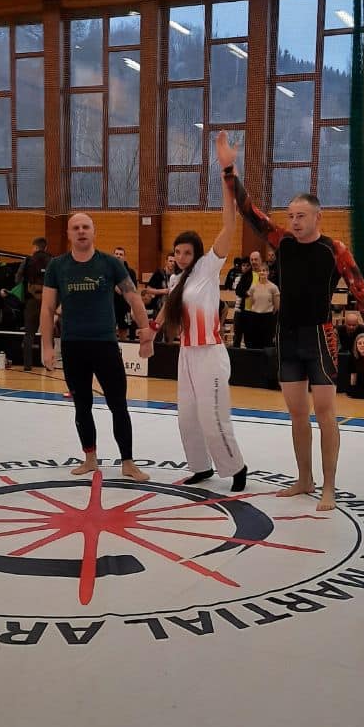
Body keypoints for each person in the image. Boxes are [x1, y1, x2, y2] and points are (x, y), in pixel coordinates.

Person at [221, 133, 364, 511]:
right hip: (288, 336)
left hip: (320, 338)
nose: (293, 221)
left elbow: (361, 292)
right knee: (296, 414)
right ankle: (304, 478)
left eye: (301, 216)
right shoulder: (283, 242)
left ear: (317, 217)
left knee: (325, 414)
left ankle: (329, 486)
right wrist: (229, 170)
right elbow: (249, 210)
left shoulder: (335, 250)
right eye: (290, 216)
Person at [157, 134, 247, 491]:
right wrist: (150, 330)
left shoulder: (208, 268)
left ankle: (237, 467)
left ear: (196, 253)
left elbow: (229, 224)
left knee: (213, 417)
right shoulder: (176, 280)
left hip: (210, 353)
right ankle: (201, 467)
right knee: (187, 419)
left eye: (186, 252)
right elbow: (167, 311)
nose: (181, 257)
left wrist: (227, 173)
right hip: (186, 355)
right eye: (177, 252)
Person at [40, 213, 154, 481]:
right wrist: (46, 346)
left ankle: (128, 462)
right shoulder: (57, 266)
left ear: (94, 231)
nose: (81, 231)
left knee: (118, 405)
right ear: (69, 233)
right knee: (82, 406)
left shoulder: (110, 263)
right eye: (75, 228)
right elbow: (47, 308)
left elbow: (134, 298)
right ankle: (90, 458)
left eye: (85, 227)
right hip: (73, 346)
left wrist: (145, 333)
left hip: (105, 345)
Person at [16, 238, 52, 371]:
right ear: (45, 247)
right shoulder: (52, 260)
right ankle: (50, 364)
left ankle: (27, 365)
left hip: (31, 300)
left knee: (29, 333)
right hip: (48, 300)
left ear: (35, 247)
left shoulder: (27, 261)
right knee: (49, 332)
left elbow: (17, 279)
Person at [245, 265, 280, 348]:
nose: (262, 272)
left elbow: (277, 306)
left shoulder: (273, 287)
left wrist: (269, 313)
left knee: (267, 341)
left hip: (268, 317)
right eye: (260, 271)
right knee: (255, 341)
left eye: (264, 270)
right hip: (255, 317)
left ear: (268, 272)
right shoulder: (253, 287)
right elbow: (250, 304)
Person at [112, 246, 138, 341]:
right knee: (110, 330)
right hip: (111, 305)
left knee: (123, 329)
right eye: (116, 254)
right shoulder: (108, 271)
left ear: (124, 257)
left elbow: (133, 290)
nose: (118, 256)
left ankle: (123, 346)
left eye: (121, 254)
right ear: (113, 255)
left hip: (125, 305)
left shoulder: (130, 272)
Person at [144, 253, 176, 327]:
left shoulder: (177, 275)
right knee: (158, 331)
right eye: (170, 261)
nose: (172, 263)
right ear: (166, 262)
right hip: (158, 308)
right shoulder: (159, 273)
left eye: (174, 261)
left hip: (171, 308)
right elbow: (148, 290)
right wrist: (163, 291)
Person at [232, 257, 251, 348]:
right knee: (237, 336)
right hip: (238, 309)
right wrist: (246, 292)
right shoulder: (238, 279)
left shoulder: (253, 278)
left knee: (248, 336)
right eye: (243, 265)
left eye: (247, 265)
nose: (245, 267)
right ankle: (235, 353)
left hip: (249, 310)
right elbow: (239, 292)